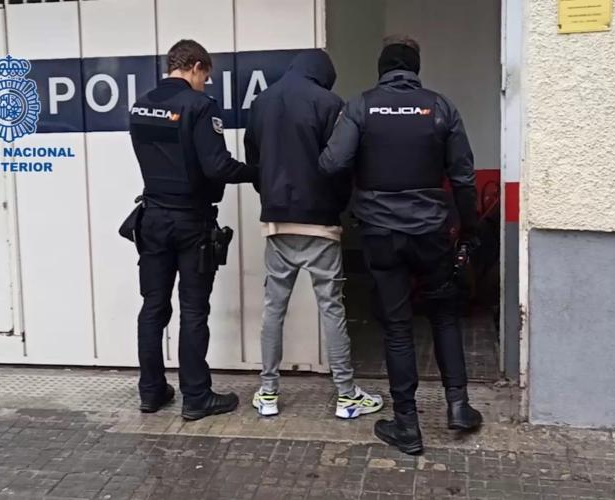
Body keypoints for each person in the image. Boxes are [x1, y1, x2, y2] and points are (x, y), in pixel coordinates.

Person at [318, 35, 483, 454]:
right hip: (432, 232)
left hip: (380, 232)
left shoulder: (361, 106)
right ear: (415, 68)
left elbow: (333, 163)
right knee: (444, 315)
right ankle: (459, 406)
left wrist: (353, 198)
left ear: (382, 68)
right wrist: (469, 229)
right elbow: (463, 176)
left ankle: (407, 425)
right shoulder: (440, 107)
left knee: (397, 327)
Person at [245, 50, 383, 419]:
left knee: (274, 308)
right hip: (320, 222)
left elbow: (254, 160)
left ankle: (268, 392)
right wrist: (338, 206)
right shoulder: (330, 103)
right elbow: (339, 163)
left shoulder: (261, 102)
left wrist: (271, 196)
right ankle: (346, 395)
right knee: (332, 308)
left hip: (277, 222)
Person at [129, 39, 256, 421]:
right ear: (196, 66)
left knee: (153, 306)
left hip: (152, 218)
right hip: (190, 223)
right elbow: (218, 167)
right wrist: (259, 173)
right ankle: (196, 397)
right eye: (206, 76)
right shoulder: (199, 106)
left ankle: (151, 391)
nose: (205, 84)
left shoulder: (140, 105)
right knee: (193, 309)